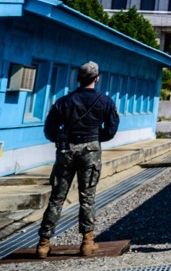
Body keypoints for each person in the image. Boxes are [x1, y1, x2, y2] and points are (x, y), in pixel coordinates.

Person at [36, 61, 119, 259]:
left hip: (66, 151)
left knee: (57, 197)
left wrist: (61, 139)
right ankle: (87, 242)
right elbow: (111, 128)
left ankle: (43, 243)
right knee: (87, 197)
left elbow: (49, 129)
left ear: (78, 79)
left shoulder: (63, 101)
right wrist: (97, 138)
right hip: (90, 150)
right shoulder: (105, 101)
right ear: (97, 78)